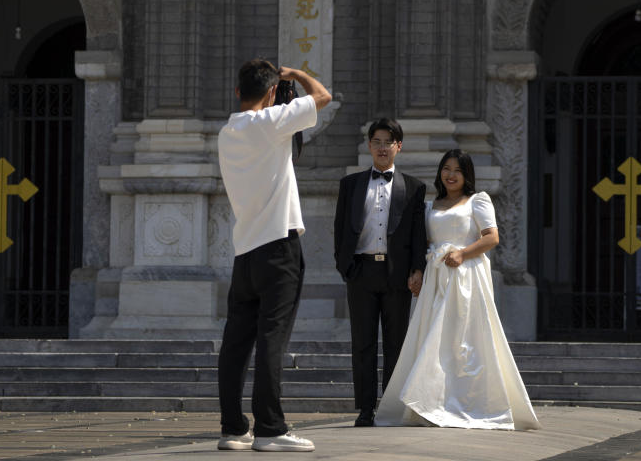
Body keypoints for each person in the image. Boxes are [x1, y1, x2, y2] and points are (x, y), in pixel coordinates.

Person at [374, 149, 541, 430]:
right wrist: (417, 271)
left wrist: (463, 253)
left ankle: (469, 402)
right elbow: (424, 243)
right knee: (433, 338)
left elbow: (492, 237)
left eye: (457, 170)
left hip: (466, 278)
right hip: (437, 280)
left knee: (464, 339)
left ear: (466, 175)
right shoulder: (430, 205)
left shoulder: (478, 201)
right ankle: (431, 403)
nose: (451, 175)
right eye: (446, 169)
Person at [216, 59, 332, 452]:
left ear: (236, 92)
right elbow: (323, 97)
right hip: (278, 248)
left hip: (245, 249)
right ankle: (270, 428)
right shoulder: (271, 123)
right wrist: (296, 75)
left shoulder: (227, 132)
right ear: (269, 93)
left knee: (235, 343)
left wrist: (274, 91)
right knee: (272, 340)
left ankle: (233, 428)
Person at [333, 118, 427, 427]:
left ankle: (390, 406)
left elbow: (417, 234)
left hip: (396, 274)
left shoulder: (414, 187)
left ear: (399, 146)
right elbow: (340, 228)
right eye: (377, 141)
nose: (382, 147)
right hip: (361, 270)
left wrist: (417, 269)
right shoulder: (350, 184)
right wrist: (344, 265)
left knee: (396, 343)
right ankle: (364, 408)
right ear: (369, 145)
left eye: (389, 141)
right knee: (362, 342)